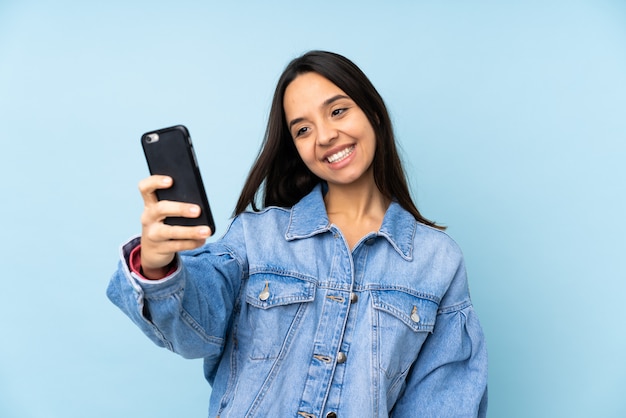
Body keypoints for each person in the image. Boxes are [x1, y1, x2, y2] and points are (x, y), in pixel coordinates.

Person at [107, 50, 488, 417]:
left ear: (373, 112)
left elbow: (443, 404)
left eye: (338, 111)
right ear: (296, 148)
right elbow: (193, 333)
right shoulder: (257, 238)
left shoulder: (437, 261)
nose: (325, 136)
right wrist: (158, 268)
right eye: (303, 129)